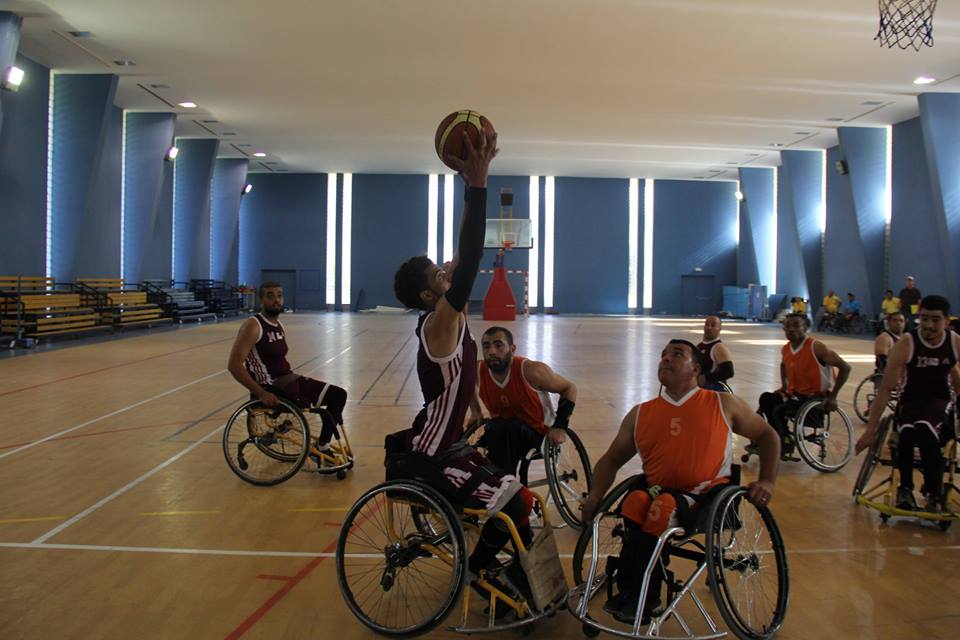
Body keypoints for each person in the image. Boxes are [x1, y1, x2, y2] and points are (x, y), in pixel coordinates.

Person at [392, 128, 535, 585]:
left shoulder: (444, 317)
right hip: (433, 452)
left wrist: (473, 404)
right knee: (515, 503)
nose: (447, 269)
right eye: (439, 272)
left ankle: (499, 569)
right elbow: (471, 256)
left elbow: (463, 253)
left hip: (449, 441)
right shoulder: (441, 320)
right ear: (426, 292)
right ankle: (478, 571)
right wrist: (478, 183)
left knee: (520, 498)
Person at [581, 339, 780, 624]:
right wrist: (593, 497)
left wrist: (768, 481)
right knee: (636, 501)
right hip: (658, 493)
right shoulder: (641, 413)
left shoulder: (722, 403)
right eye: (663, 354)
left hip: (707, 496)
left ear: (695, 369)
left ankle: (646, 597)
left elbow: (768, 436)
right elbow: (611, 459)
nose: (666, 359)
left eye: (677, 354)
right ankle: (631, 590)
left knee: (660, 507)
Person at [856, 295, 960, 513]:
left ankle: (933, 490)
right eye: (924, 319)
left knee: (924, 428)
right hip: (911, 400)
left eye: (935, 320)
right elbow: (885, 389)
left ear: (947, 321)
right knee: (907, 432)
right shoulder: (906, 343)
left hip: (940, 401)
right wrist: (871, 430)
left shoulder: (955, 342)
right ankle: (906, 489)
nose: (929, 325)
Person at [227, 282, 348, 451]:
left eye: (279, 295)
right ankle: (322, 447)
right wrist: (261, 393)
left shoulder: (278, 326)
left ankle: (323, 444)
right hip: (272, 387)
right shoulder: (253, 325)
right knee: (332, 401)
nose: (276, 300)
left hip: (288, 380)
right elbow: (234, 365)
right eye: (270, 296)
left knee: (338, 395)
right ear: (261, 300)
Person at [472, 325, 577, 475]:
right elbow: (465, 382)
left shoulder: (532, 371)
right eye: (486, 346)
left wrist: (560, 427)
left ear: (512, 349)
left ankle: (502, 483)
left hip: (538, 434)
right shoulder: (477, 371)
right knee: (495, 428)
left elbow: (569, 388)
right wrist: (475, 411)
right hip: (500, 432)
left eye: (498, 345)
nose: (492, 352)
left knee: (509, 427)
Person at [757, 314, 851, 456]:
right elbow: (784, 365)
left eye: (796, 325)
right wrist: (784, 385)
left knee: (778, 409)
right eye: (787, 326)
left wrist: (833, 396)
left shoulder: (816, 347)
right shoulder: (786, 349)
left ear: (805, 327)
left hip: (815, 398)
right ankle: (781, 437)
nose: (791, 329)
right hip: (796, 395)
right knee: (766, 399)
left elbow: (845, 367)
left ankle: (785, 442)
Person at [696, 315, 734, 391]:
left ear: (719, 329)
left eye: (713, 325)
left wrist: (706, 378)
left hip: (713, 390)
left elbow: (728, 371)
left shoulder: (718, 347)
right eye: (707, 324)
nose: (709, 327)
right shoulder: (699, 346)